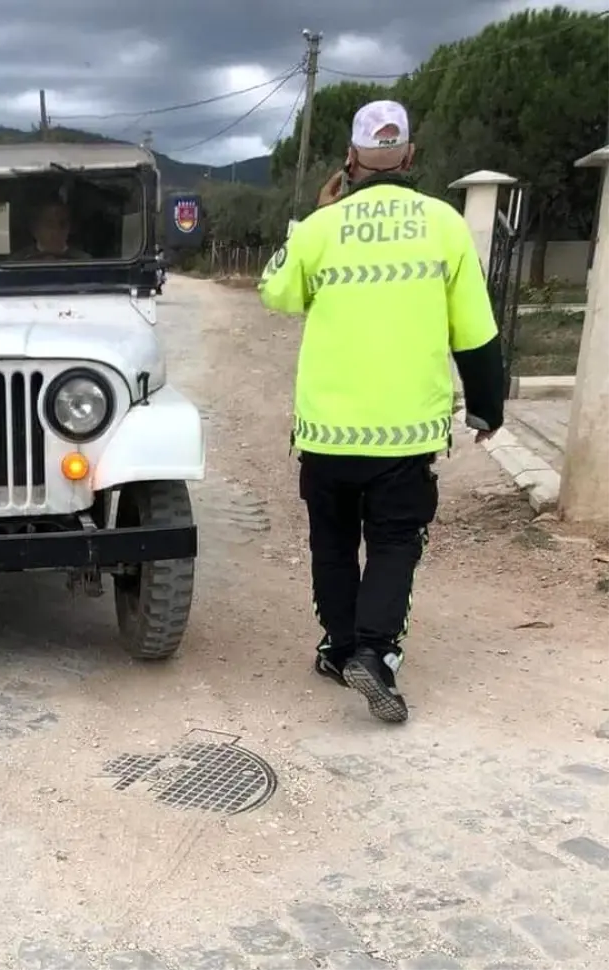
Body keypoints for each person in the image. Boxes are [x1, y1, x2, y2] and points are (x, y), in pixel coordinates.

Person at [257, 100, 505, 724]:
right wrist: (485, 408)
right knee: (395, 543)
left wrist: (313, 220)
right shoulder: (445, 224)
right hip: (405, 433)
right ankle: (374, 650)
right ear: (410, 157)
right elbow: (475, 332)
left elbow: (275, 291)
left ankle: (341, 649)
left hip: (328, 432)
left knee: (333, 543)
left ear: (351, 159)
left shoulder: (322, 227)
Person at [10, 199, 90, 260]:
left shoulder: (83, 260)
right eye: (49, 224)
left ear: (69, 228)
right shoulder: (18, 261)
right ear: (35, 229)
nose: (56, 230)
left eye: (62, 224)